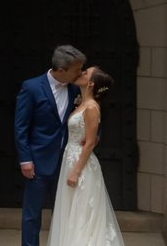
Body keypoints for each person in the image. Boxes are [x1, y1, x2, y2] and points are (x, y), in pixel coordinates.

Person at [14, 44, 85, 246]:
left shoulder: (75, 88)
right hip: (37, 161)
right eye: (76, 69)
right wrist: (25, 159)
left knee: (63, 213)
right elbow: (21, 127)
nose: (80, 73)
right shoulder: (32, 87)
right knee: (32, 214)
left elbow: (88, 113)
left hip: (66, 161)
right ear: (61, 70)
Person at [47, 66, 125, 246]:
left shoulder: (91, 107)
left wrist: (75, 171)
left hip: (80, 166)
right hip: (71, 158)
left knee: (82, 213)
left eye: (85, 73)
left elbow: (89, 142)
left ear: (90, 83)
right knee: (70, 212)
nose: (80, 73)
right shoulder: (80, 102)